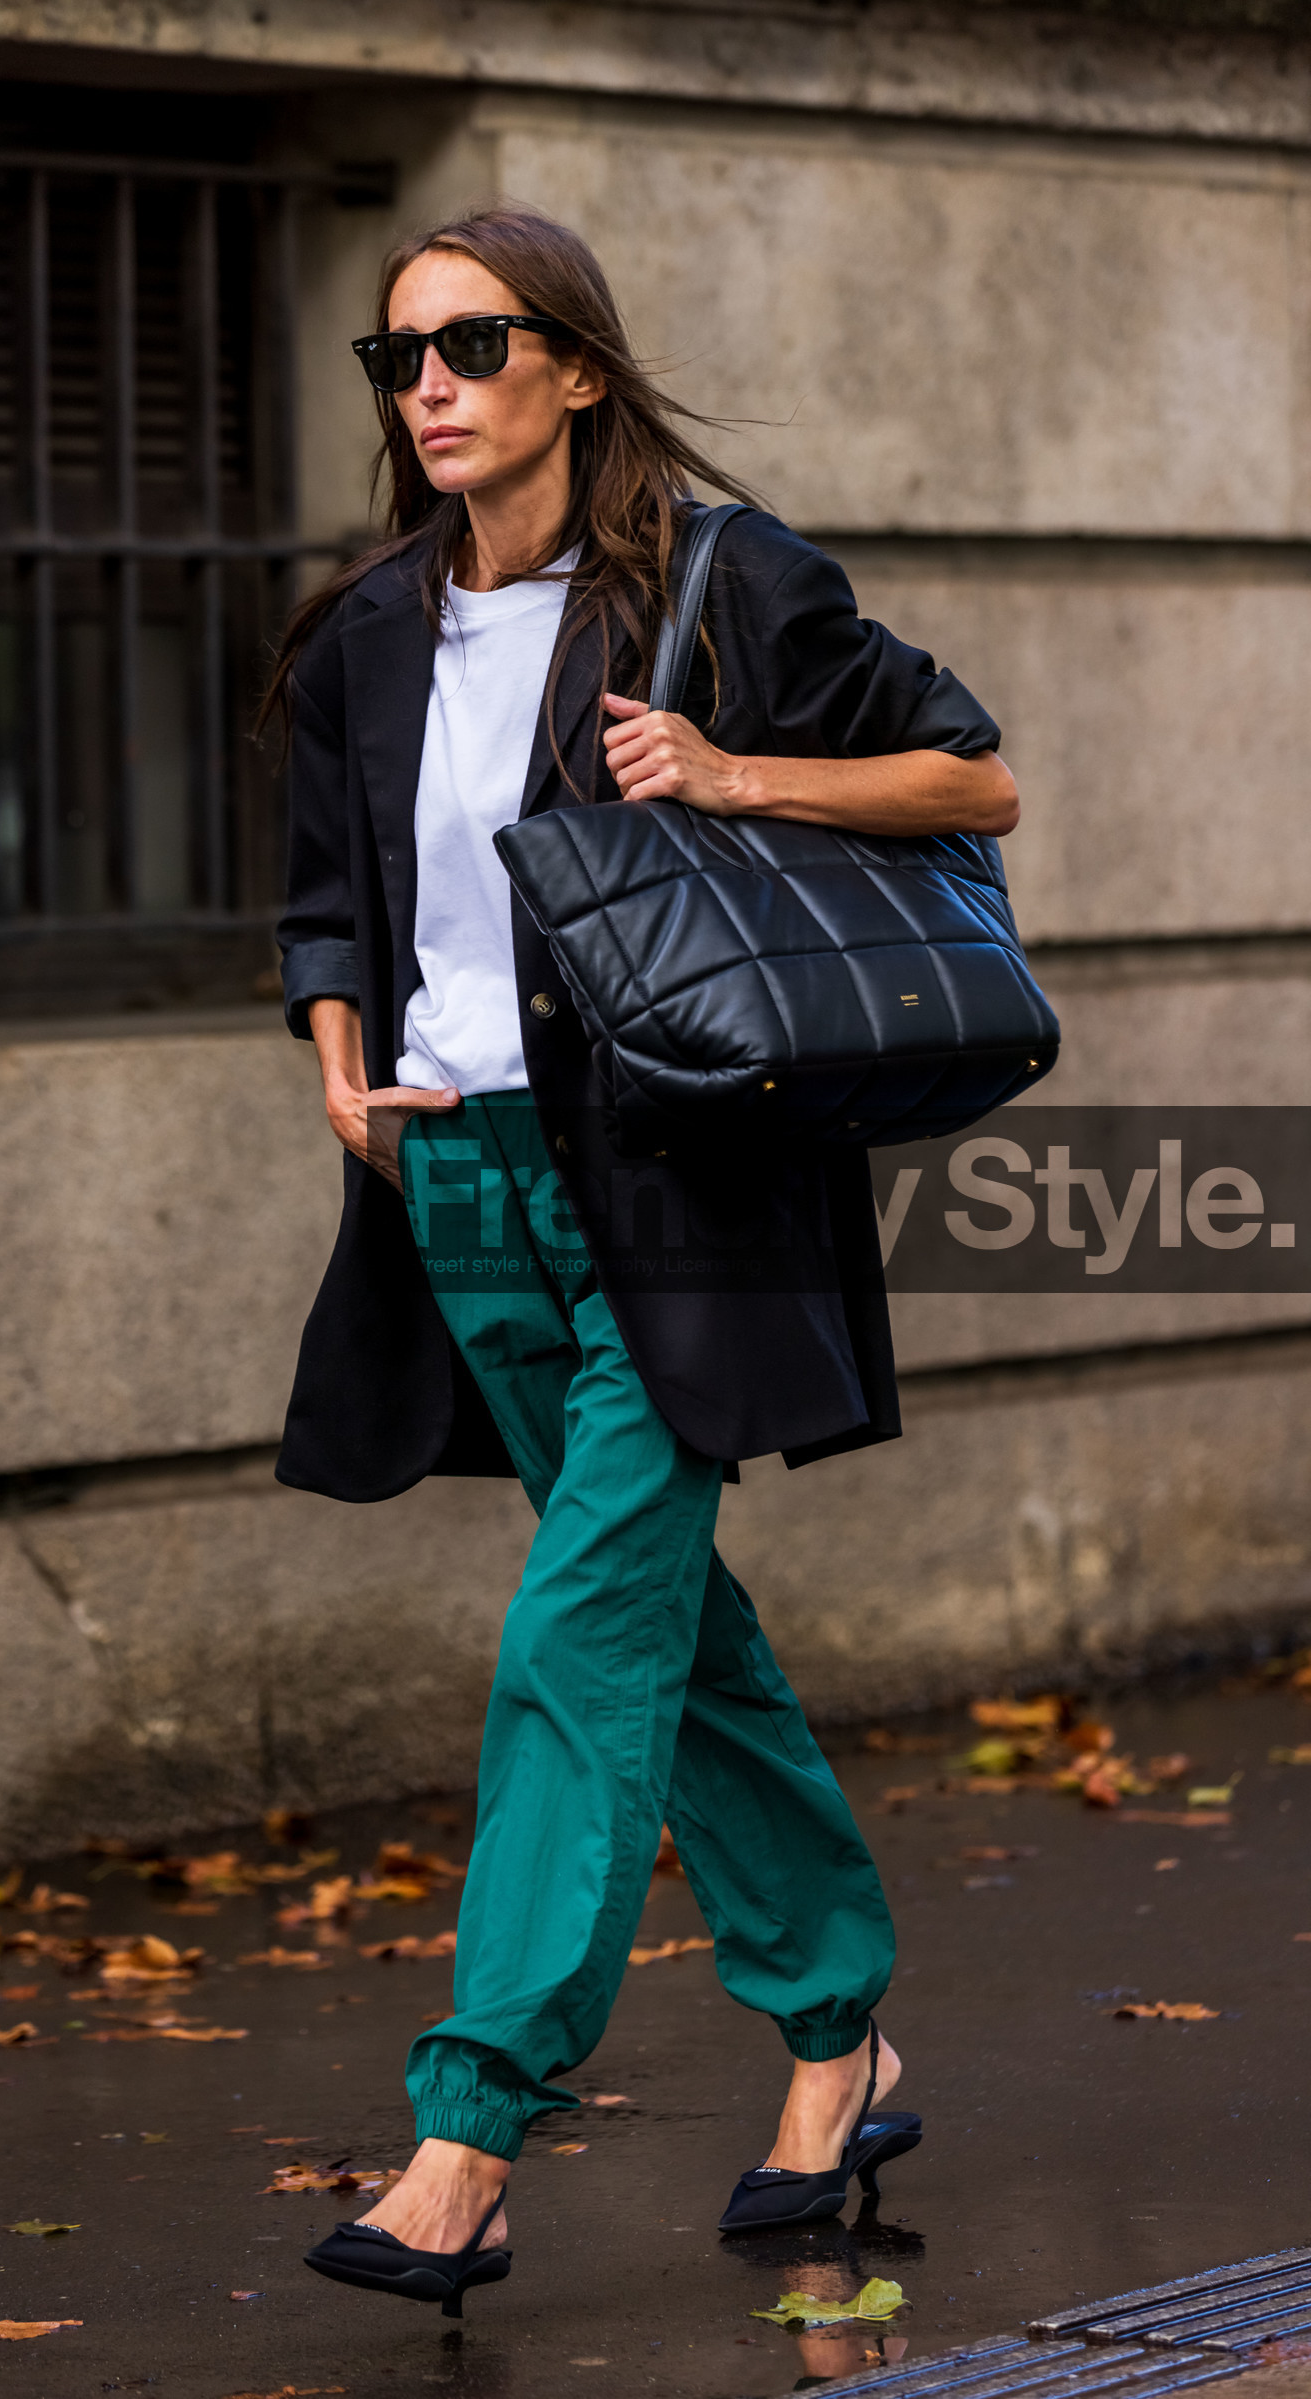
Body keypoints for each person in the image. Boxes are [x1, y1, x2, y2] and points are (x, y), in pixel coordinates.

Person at [266, 202, 1017, 2317]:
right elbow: (330, 891)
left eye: (471, 345)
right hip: (465, 1184)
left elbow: (977, 774)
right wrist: (341, 1063)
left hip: (681, 1191)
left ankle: (465, 2133)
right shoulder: (368, 631)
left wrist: (728, 769)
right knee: (669, 1635)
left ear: (572, 369)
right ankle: (837, 2027)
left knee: (573, 1639)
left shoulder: (721, 580)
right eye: (396, 355)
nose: (427, 386)